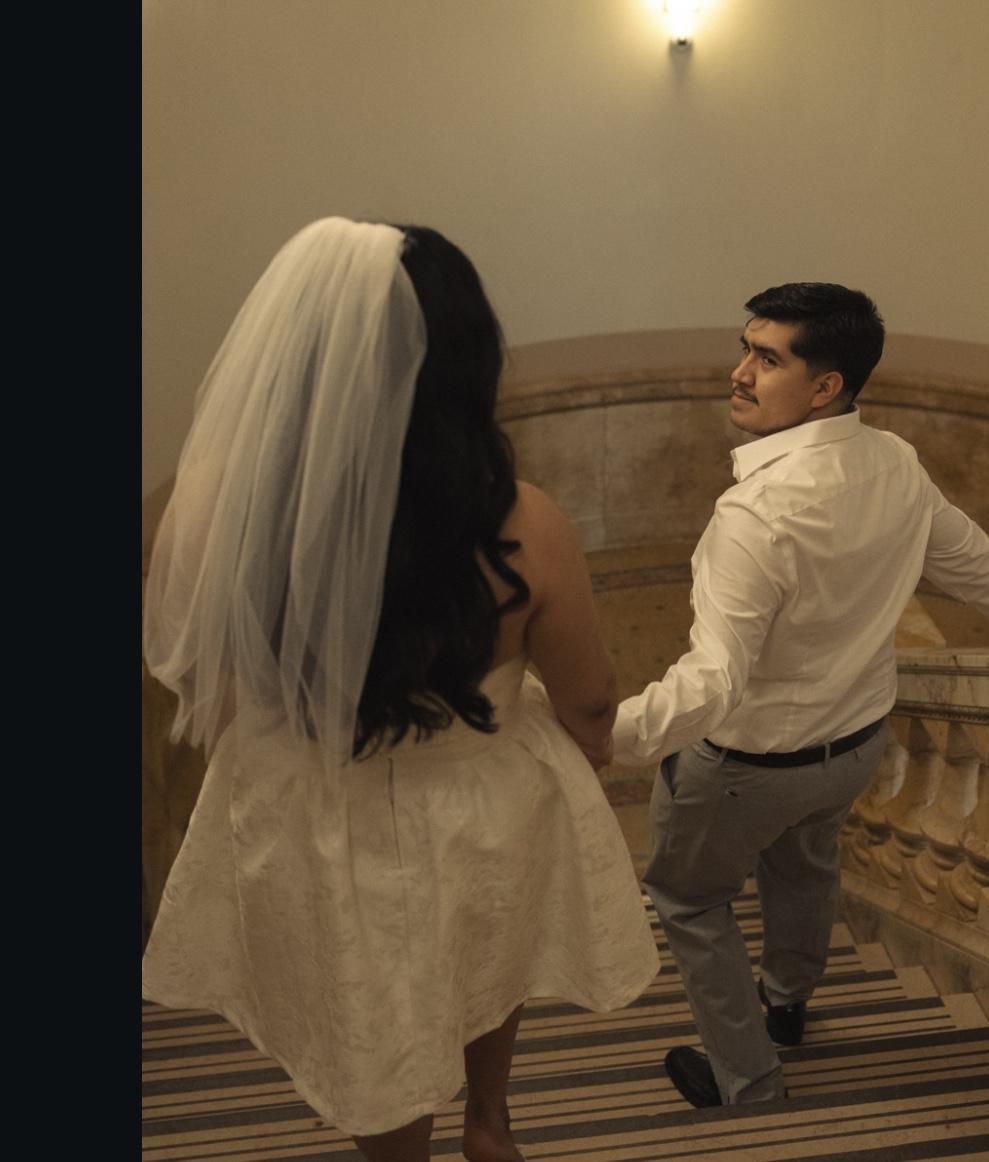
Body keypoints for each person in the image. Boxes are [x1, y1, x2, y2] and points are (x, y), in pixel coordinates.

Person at [142, 217, 659, 1162]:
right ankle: (489, 1120)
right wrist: (589, 752)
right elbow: (588, 694)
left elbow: (199, 664)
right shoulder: (522, 521)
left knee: (368, 1011)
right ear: (462, 360)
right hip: (478, 793)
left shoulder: (217, 501)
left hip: (311, 805)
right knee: (489, 943)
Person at [610, 282, 989, 1109]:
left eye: (767, 359)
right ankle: (786, 1004)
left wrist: (599, 732)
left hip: (746, 767)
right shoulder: (895, 461)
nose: (739, 372)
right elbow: (987, 575)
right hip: (853, 750)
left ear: (826, 385)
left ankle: (747, 1076)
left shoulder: (755, 514)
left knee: (689, 898)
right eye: (745, 349)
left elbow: (713, 682)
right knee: (804, 869)